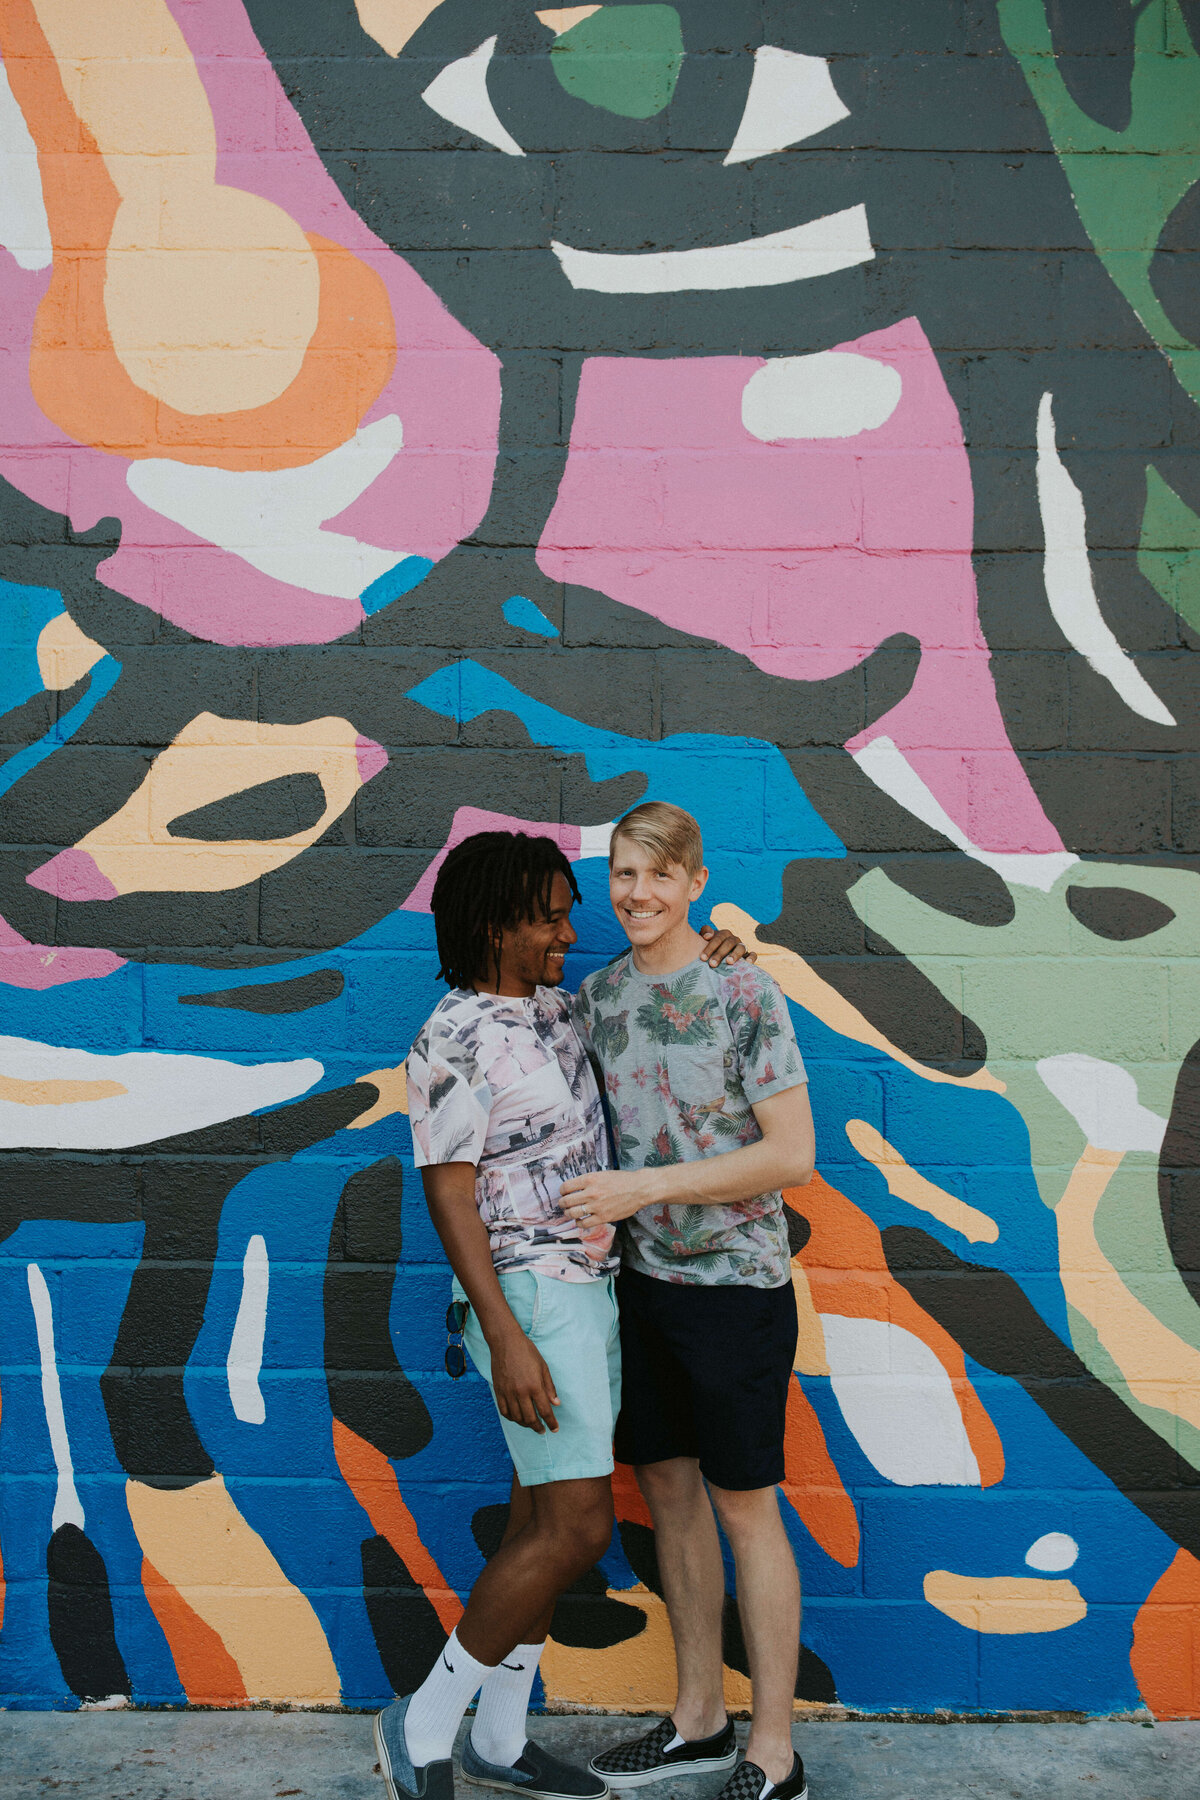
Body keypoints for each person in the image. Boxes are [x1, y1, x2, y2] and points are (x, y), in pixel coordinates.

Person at [376, 829, 750, 1800]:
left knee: (540, 1522)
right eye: (549, 915)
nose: (568, 929)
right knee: (578, 1529)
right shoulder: (451, 1037)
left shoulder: (552, 1011)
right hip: (530, 1300)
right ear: (496, 922)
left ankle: (497, 1739)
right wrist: (503, 1334)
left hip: (590, 1291)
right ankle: (422, 1719)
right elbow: (450, 1194)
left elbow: (648, 988)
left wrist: (710, 951)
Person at [563, 802, 816, 1800]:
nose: (638, 893)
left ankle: (775, 1754)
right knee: (669, 1499)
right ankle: (701, 1720)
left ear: (695, 881)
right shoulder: (600, 998)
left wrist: (645, 1189)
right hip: (643, 1292)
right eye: (624, 874)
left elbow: (791, 1156)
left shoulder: (742, 988)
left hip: (736, 1292)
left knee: (747, 1510)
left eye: (659, 875)